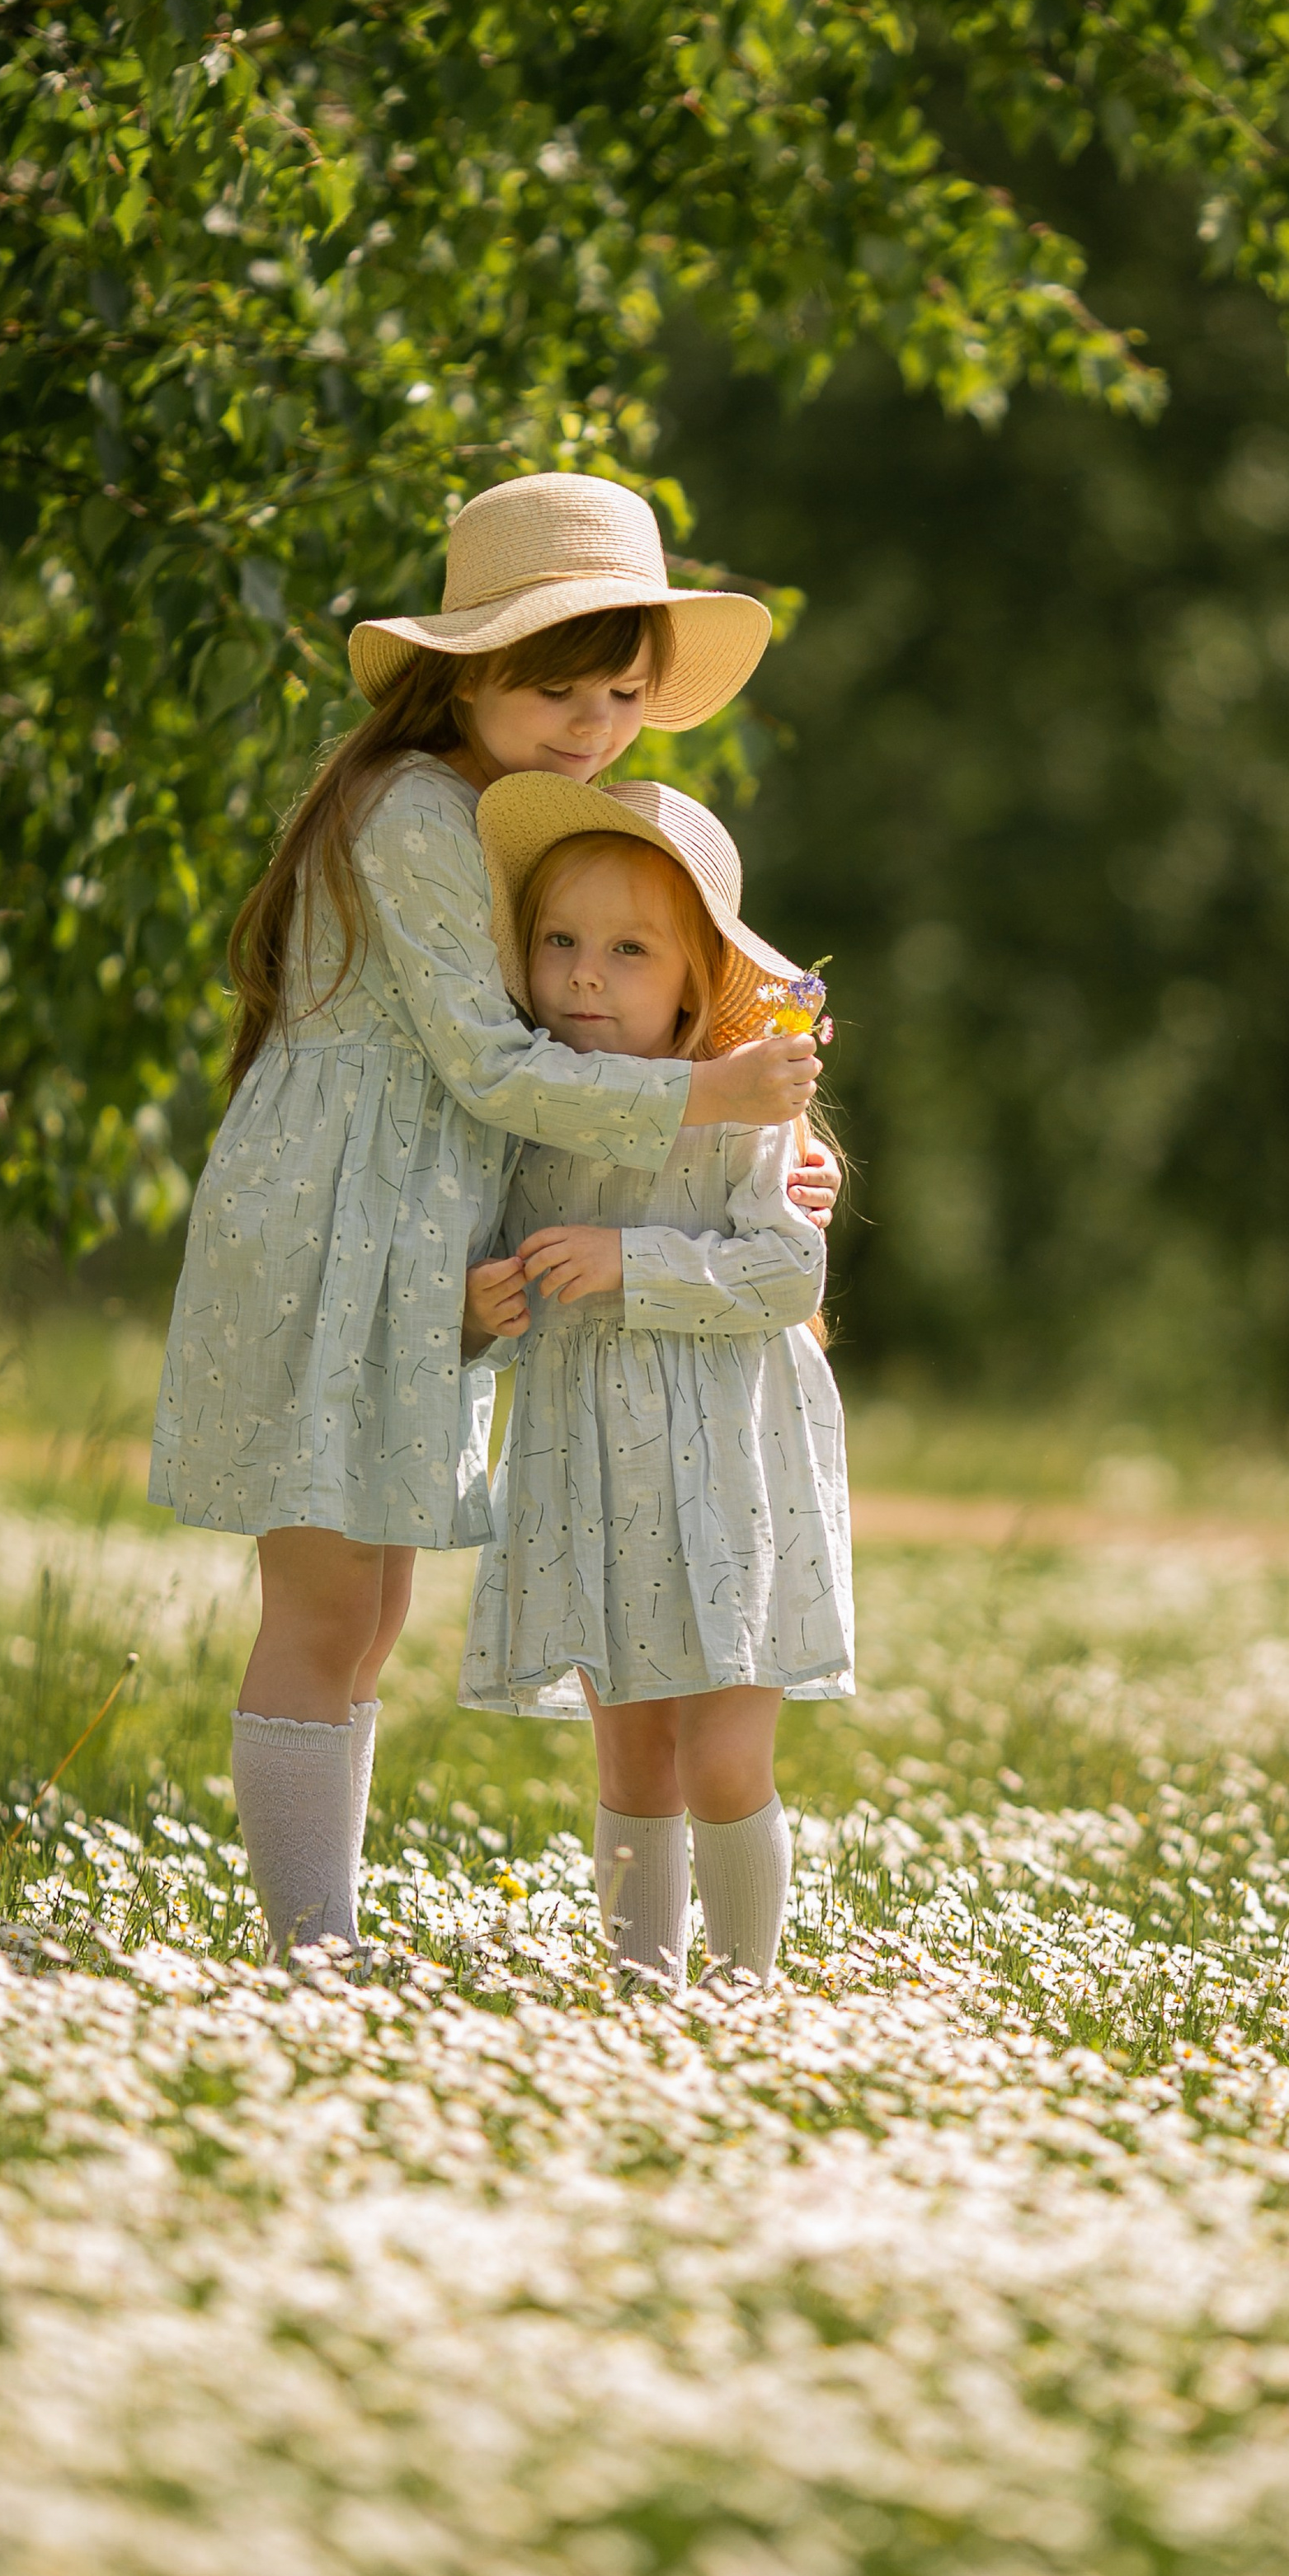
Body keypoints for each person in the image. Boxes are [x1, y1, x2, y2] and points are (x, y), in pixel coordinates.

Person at [149, 472, 834, 1963]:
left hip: (415, 1234)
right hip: (337, 1230)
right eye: (558, 690)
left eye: (620, 696)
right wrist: (713, 1107)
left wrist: (762, 1145)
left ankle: (318, 1932)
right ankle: (307, 1945)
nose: (592, 729)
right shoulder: (407, 809)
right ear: (471, 667)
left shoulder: (494, 809)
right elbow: (489, 1061)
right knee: (328, 1599)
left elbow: (682, 980)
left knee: (376, 1607)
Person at [459, 774, 853, 1995]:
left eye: (630, 951)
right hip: (592, 1462)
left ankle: (742, 1991)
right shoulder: (527, 1111)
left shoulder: (740, 1108)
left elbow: (788, 1271)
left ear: (695, 980)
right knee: (631, 1749)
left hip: (728, 1459)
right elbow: (488, 1257)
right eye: (560, 943)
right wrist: (479, 1313)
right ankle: (640, 1994)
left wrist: (631, 1265)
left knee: (723, 1752)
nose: (585, 975)